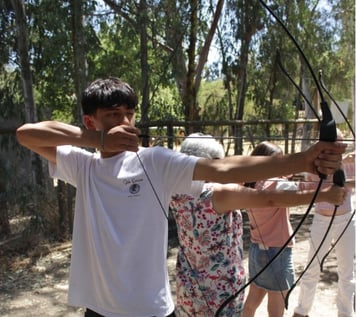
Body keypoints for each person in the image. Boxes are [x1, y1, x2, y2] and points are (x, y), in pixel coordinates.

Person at [15, 77, 346, 317]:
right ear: (91, 121)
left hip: (151, 310)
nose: (125, 122)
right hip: (98, 310)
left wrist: (302, 161)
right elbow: (26, 134)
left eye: (129, 114)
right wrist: (97, 140)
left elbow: (223, 168)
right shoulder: (82, 165)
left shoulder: (155, 160)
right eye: (114, 115)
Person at [170, 135, 346, 317]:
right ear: (211, 163)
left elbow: (239, 175)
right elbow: (270, 199)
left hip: (188, 287)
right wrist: (325, 194)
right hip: (219, 292)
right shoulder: (218, 194)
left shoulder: (175, 192)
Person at [241, 141, 327, 317]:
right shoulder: (278, 185)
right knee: (276, 310)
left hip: (257, 252)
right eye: (278, 163)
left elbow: (282, 179)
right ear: (270, 164)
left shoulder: (249, 185)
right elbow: (307, 189)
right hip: (278, 254)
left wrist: (286, 170)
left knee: (251, 304)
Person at [293, 147, 355, 317]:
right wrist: (341, 164)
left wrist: (348, 162)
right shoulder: (317, 165)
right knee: (312, 266)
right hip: (322, 218)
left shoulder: (350, 162)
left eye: (340, 145)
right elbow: (316, 183)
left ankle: (346, 312)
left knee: (347, 270)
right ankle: (301, 310)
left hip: (345, 219)